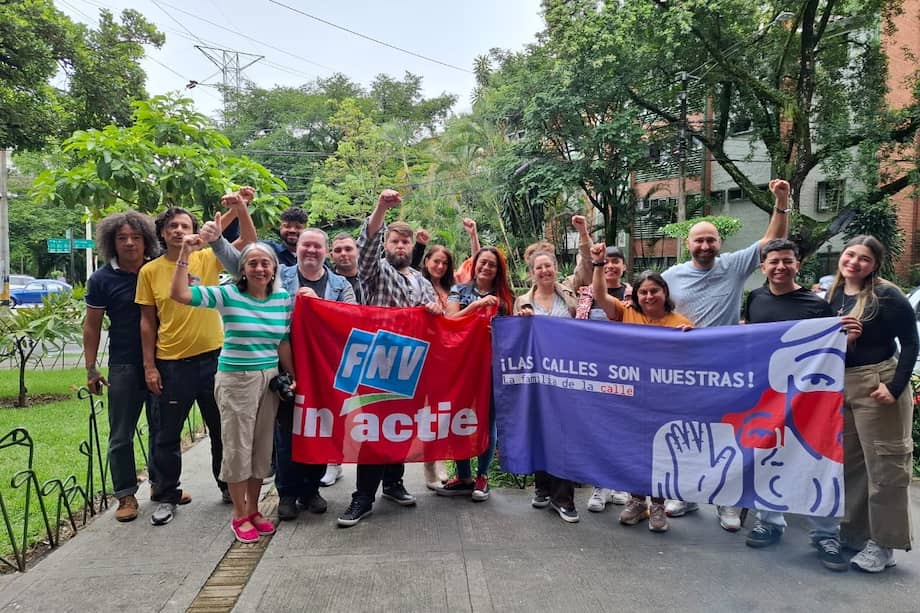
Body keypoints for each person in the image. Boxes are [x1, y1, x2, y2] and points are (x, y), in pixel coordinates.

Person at [660, 178, 791, 531]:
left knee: (726, 435)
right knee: (688, 433)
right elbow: (648, 305)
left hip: (726, 365)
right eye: (699, 239)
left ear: (719, 243)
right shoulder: (671, 276)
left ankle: (726, 502)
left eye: (710, 239)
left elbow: (770, 243)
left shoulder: (732, 267)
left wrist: (782, 202)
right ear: (687, 244)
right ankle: (684, 495)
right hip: (685, 368)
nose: (705, 245)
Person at [206, 222, 358, 521]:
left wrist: (322, 306)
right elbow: (244, 264)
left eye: (317, 246)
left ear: (326, 252)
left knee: (317, 430)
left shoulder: (341, 285)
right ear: (296, 249)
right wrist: (217, 240)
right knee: (286, 434)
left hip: (325, 371)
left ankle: (311, 490)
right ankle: (287, 493)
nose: (311, 250)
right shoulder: (278, 276)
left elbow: (352, 320)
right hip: (282, 371)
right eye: (306, 245)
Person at [738, 238, 860, 570]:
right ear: (763, 267)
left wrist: (844, 337)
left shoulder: (815, 305)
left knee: (818, 460)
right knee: (768, 458)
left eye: (787, 261)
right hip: (766, 395)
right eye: (773, 261)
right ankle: (770, 522)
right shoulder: (756, 298)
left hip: (809, 400)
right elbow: (748, 338)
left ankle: (825, 535)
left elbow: (830, 349)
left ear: (797, 264)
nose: (780, 267)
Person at [136, 190, 256, 526]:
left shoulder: (205, 259)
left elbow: (246, 240)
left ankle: (226, 486)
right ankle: (166, 494)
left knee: (222, 429)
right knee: (166, 433)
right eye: (172, 226)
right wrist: (150, 367)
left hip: (216, 359)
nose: (177, 230)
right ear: (162, 233)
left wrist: (239, 207)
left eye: (184, 225)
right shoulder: (150, 271)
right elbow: (147, 321)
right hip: (172, 362)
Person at [170, 236, 294, 543]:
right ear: (242, 269)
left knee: (261, 449)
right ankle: (239, 514)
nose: (260, 269)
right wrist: (185, 253)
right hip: (236, 379)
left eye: (265, 263)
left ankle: (254, 510)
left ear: (274, 268)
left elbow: (282, 342)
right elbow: (180, 294)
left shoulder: (281, 300)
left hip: (269, 379)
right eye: (252, 263)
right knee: (238, 448)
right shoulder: (228, 295)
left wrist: (292, 374)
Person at [337, 189, 440, 528]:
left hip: (413, 365)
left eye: (405, 243)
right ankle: (362, 497)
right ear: (387, 244)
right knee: (374, 430)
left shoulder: (422, 281)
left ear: (413, 247)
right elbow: (365, 245)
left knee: (400, 428)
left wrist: (434, 309)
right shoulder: (375, 271)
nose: (400, 247)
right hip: (379, 366)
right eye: (394, 241)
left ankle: (394, 483)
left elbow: (433, 319)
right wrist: (381, 206)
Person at [826, 235, 918, 573]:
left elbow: (910, 343)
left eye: (864, 258)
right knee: (852, 466)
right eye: (850, 254)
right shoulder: (835, 293)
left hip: (878, 382)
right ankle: (853, 534)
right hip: (843, 385)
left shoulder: (887, 296)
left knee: (886, 467)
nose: (854, 262)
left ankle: (884, 545)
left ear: (875, 265)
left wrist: (895, 388)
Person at [590, 244, 693, 532]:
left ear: (665, 294)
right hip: (630, 396)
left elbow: (691, 363)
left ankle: (658, 505)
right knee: (634, 449)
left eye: (654, 291)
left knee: (659, 452)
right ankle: (637, 501)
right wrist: (598, 264)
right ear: (636, 295)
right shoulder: (626, 313)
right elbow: (599, 295)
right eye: (643, 292)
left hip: (663, 400)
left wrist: (692, 340)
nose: (649, 296)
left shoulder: (680, 324)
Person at [84, 211, 160, 522]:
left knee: (162, 428)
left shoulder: (158, 269)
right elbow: (92, 326)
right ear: (111, 242)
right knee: (120, 434)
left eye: (136, 237)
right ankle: (126, 495)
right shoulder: (102, 279)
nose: (129, 243)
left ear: (147, 241)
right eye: (122, 238)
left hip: (164, 360)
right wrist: (91, 368)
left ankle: (162, 485)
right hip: (124, 364)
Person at [435, 246, 515, 501]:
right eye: (483, 262)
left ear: (498, 270)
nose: (486, 268)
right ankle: (463, 475)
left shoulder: (504, 297)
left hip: (491, 366)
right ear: (475, 264)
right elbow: (450, 320)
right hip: (462, 366)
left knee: (487, 420)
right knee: (461, 417)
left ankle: (482, 476)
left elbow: (514, 334)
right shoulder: (461, 290)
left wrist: (501, 334)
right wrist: (476, 307)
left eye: (492, 264)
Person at [569, 214, 632, 512]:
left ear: (624, 267)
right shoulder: (584, 293)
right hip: (590, 372)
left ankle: (618, 482)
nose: (611, 267)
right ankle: (598, 485)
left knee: (619, 428)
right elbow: (587, 258)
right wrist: (583, 232)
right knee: (595, 427)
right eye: (606, 263)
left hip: (623, 372)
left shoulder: (636, 295)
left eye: (616, 263)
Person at [513, 247, 580, 523]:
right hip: (537, 379)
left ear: (556, 268)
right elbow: (515, 338)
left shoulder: (571, 296)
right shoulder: (522, 301)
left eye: (548, 266)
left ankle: (563, 498)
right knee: (540, 431)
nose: (544, 271)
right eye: (538, 267)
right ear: (532, 273)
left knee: (563, 435)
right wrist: (521, 320)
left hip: (567, 377)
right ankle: (542, 487)